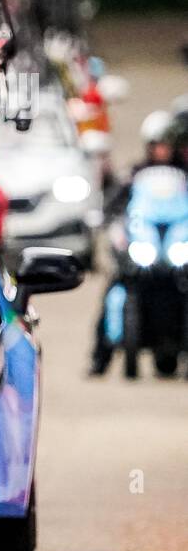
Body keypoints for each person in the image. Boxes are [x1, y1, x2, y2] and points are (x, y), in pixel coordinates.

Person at [88, 110, 183, 375]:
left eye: (167, 144)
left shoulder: (183, 177)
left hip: (175, 250)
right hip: (145, 249)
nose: (162, 150)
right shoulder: (134, 174)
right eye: (157, 144)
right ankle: (100, 357)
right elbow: (114, 204)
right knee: (114, 290)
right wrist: (108, 218)